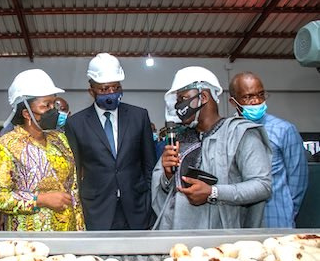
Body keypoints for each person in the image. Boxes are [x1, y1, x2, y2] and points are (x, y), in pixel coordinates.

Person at [151, 66, 272, 230]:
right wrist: (167, 175)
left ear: (204, 97)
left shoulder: (240, 134)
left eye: (183, 98)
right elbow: (164, 194)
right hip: (176, 239)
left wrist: (213, 192)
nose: (179, 106)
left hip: (221, 242)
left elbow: (262, 186)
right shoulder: (179, 140)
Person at [65, 53, 155, 230]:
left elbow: (149, 165)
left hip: (136, 206)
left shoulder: (139, 116)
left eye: (116, 87)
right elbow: (75, 170)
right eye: (104, 89)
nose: (111, 93)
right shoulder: (76, 123)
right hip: (97, 208)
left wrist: (149, 200)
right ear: (91, 91)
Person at [0, 69, 85, 231]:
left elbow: (73, 189)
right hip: (30, 237)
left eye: (54, 104)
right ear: (26, 113)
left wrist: (80, 231)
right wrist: (41, 199)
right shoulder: (5, 146)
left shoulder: (60, 139)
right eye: (46, 105)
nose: (53, 110)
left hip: (68, 233)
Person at [229, 72, 308, 228]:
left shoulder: (284, 130)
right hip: (238, 221)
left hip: (276, 217)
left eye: (261, 94)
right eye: (248, 97)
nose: (256, 101)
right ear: (233, 102)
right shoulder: (227, 132)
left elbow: (298, 181)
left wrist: (287, 212)